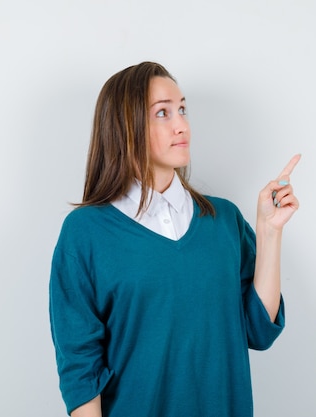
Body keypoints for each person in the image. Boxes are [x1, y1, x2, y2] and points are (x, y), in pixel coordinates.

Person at [49, 61, 300, 417]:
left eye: (182, 109)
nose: (182, 125)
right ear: (125, 127)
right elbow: (80, 367)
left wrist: (270, 232)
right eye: (163, 113)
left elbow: (259, 331)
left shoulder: (224, 220)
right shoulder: (86, 232)